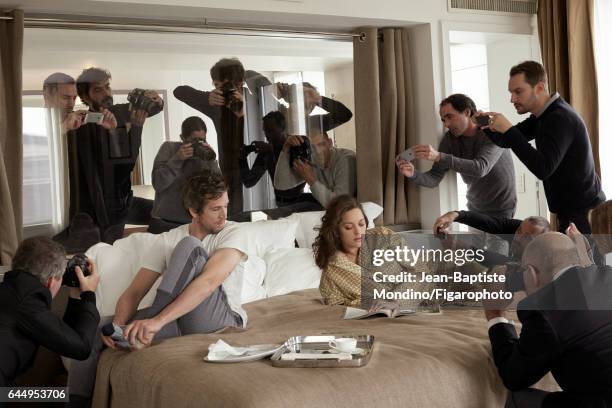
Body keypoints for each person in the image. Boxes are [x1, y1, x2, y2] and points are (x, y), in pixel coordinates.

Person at [67, 171, 251, 400]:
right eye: (216, 209)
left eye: (226, 206)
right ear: (194, 211)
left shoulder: (234, 232)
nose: (224, 215)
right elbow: (134, 293)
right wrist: (117, 326)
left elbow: (209, 282)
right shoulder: (166, 239)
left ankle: (147, 330)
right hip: (177, 321)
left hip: (221, 321)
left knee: (189, 246)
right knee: (93, 332)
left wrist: (156, 321)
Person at [485, 232, 612, 407]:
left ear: (530, 272)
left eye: (522, 271)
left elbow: (513, 376)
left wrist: (495, 313)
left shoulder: (545, 310)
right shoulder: (607, 274)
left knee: (515, 398)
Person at [482, 60, 605, 233]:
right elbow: (506, 140)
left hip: (583, 215)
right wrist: (483, 124)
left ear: (539, 87)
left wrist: (508, 129)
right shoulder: (543, 116)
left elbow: (543, 168)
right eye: (511, 93)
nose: (512, 99)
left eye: (518, 92)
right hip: (570, 211)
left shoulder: (559, 117)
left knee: (583, 261)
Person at [69, 67, 164, 244]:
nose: (106, 93)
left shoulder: (118, 112)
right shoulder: (84, 126)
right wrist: (136, 128)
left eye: (107, 87)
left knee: (166, 216)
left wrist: (156, 100)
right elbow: (123, 167)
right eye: (98, 89)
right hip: (106, 209)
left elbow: (152, 108)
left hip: (125, 200)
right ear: (86, 97)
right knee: (109, 251)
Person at [173, 58, 269, 218]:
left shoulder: (258, 102)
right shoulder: (216, 104)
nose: (221, 90)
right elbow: (179, 91)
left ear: (239, 83)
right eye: (217, 85)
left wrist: (247, 108)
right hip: (231, 178)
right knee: (233, 222)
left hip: (261, 175)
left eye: (226, 85)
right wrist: (207, 99)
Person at [396, 93, 517, 219]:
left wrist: (439, 156)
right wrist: (413, 174)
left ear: (467, 112)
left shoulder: (492, 129)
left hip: (502, 210)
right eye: (443, 120)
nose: (446, 124)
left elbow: (481, 168)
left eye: (450, 117)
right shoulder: (449, 140)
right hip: (474, 210)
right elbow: (434, 177)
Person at [0, 237, 100, 387]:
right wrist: (89, 295)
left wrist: (75, 294)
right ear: (51, 281)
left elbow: (67, 337)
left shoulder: (12, 292)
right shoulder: (27, 303)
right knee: (56, 395)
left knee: (53, 395)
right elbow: (81, 348)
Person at [313, 195, 435, 311]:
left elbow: (421, 271)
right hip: (383, 313)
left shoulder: (382, 236)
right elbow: (336, 304)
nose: (358, 231)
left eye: (361, 224)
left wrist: (396, 301)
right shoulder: (332, 272)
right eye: (349, 227)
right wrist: (369, 304)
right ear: (335, 230)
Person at [150, 116, 221, 233]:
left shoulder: (204, 156)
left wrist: (211, 160)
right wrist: (177, 158)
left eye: (203, 140)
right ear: (182, 138)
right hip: (164, 222)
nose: (199, 144)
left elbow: (217, 188)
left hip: (193, 223)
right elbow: (158, 184)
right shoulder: (169, 148)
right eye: (195, 140)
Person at [274, 130, 356, 209]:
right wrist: (285, 149)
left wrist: (310, 179)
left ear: (330, 143)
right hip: (327, 210)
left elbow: (341, 205)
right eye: (312, 147)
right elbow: (281, 184)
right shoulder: (312, 159)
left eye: (321, 144)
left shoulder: (345, 159)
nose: (318, 151)